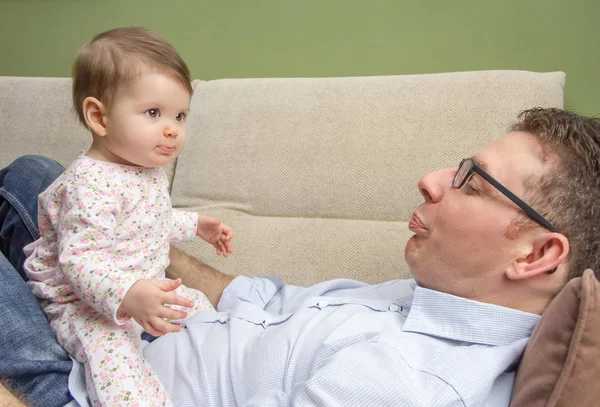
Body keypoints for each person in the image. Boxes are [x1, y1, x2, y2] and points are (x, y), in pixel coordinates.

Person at [1, 107, 599, 406]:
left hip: (97, 388)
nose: (431, 179)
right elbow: (251, 298)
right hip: (148, 323)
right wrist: (139, 248)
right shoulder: (431, 296)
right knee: (39, 177)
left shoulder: (408, 385)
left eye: (472, 182)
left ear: (536, 253)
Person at [19, 27, 233, 407]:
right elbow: (78, 262)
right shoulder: (90, 183)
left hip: (141, 285)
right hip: (85, 302)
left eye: (180, 115)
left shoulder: (145, 168)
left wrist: (196, 225)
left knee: (202, 310)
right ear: (99, 117)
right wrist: (127, 295)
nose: (172, 128)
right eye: (153, 112)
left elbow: (149, 220)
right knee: (113, 356)